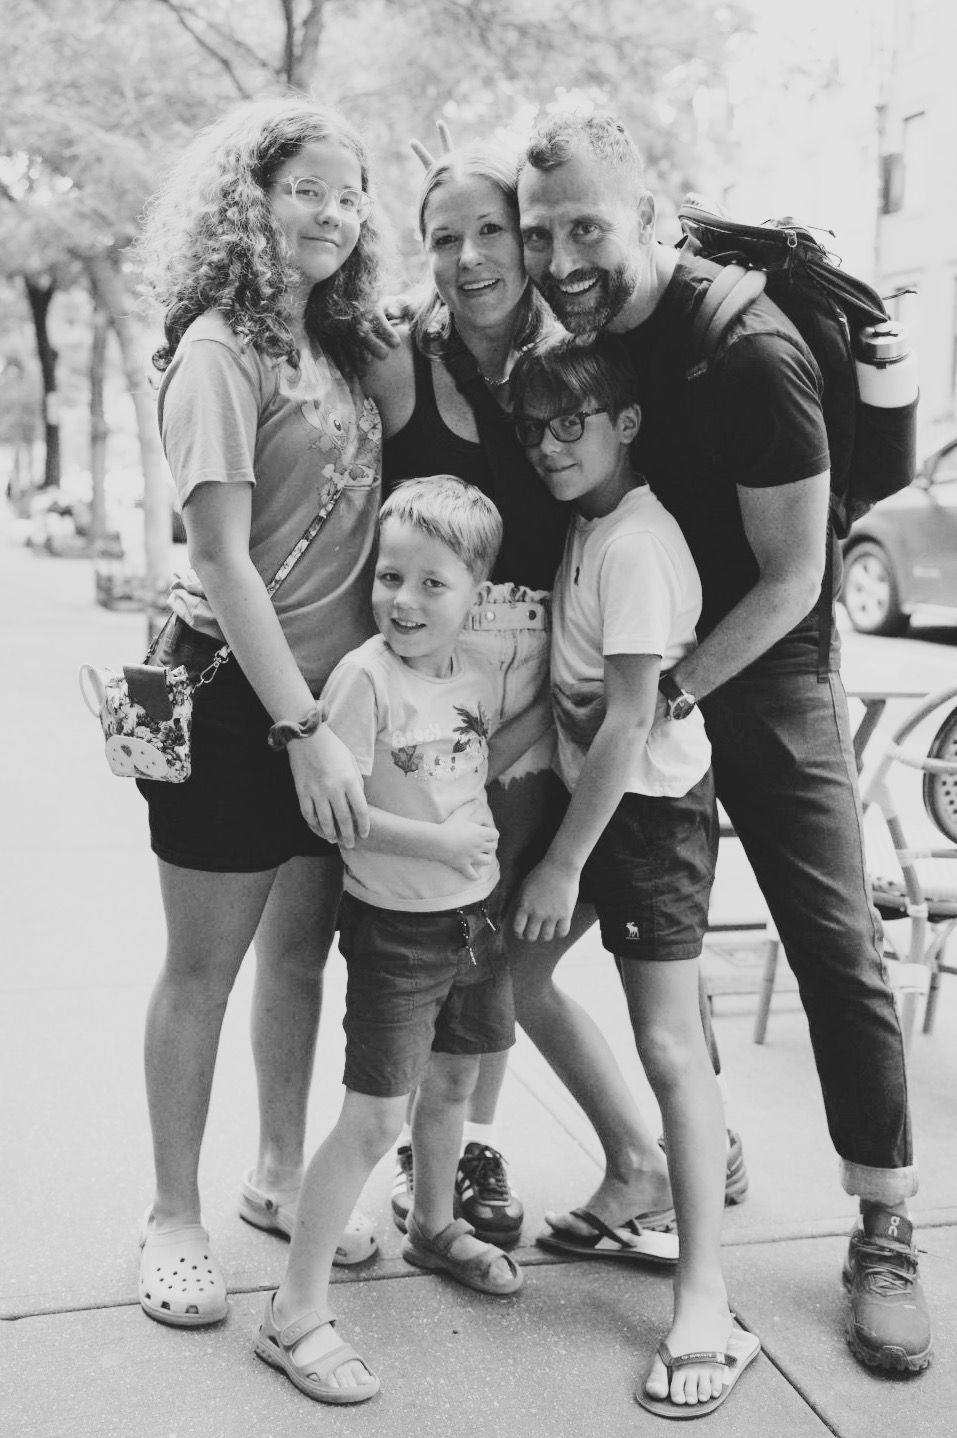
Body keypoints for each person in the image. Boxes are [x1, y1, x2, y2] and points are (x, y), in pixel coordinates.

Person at [515, 106, 931, 1376]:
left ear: (652, 216)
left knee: (833, 936)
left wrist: (667, 693)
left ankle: (887, 1223)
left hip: (763, 660)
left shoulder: (749, 351)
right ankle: (697, 1152)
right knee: (658, 914)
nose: (561, 257)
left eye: (586, 226)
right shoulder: (590, 336)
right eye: (542, 233)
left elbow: (799, 575)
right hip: (655, 662)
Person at [363, 137, 730, 1249]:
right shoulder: (406, 354)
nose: (472, 256)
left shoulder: (574, 366)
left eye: (496, 232)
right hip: (460, 681)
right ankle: (483, 1156)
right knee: (469, 941)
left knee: (521, 942)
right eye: (445, 238)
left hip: (567, 698)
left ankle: (672, 1144)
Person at [134, 96, 384, 1327]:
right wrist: (302, 728)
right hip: (246, 708)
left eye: (351, 193)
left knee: (297, 957)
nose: (333, 212)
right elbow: (222, 557)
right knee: (205, 967)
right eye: (307, 188)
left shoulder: (334, 347)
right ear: (252, 198)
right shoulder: (221, 350)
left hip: (328, 709)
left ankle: (281, 1173)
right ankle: (173, 1216)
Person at [509, 335, 760, 1414]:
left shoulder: (638, 544)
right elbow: (572, 706)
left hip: (646, 815)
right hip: (604, 804)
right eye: (534, 428)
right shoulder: (592, 525)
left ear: (626, 423)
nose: (551, 445)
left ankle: (705, 1297)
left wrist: (563, 859)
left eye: (574, 422)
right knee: (513, 979)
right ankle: (633, 1168)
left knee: (668, 1041)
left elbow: (626, 725)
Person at [256, 478, 538, 1405]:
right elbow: (337, 815)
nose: (404, 601)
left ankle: (433, 1222)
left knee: (456, 1082)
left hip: (477, 918)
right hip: (397, 930)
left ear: (476, 594)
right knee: (376, 1117)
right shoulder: (362, 678)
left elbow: (477, 756)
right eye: (390, 578)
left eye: (431, 584)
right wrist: (443, 844)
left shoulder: (477, 672)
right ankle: (292, 1310)